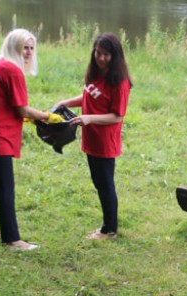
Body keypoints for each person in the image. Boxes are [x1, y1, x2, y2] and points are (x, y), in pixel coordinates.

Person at [0, 28, 62, 251]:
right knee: (5, 187)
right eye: (25, 47)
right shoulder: (11, 70)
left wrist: (28, 117)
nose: (29, 52)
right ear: (14, 46)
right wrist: (46, 116)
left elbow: (5, 104)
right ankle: (12, 239)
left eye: (31, 48)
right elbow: (21, 109)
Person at [54, 32, 132, 240]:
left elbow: (117, 116)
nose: (101, 58)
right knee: (99, 182)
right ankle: (107, 226)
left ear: (114, 55)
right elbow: (89, 95)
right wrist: (66, 102)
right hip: (91, 139)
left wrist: (88, 118)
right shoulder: (96, 73)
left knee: (105, 184)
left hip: (105, 142)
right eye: (98, 53)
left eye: (106, 54)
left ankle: (109, 230)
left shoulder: (120, 82)